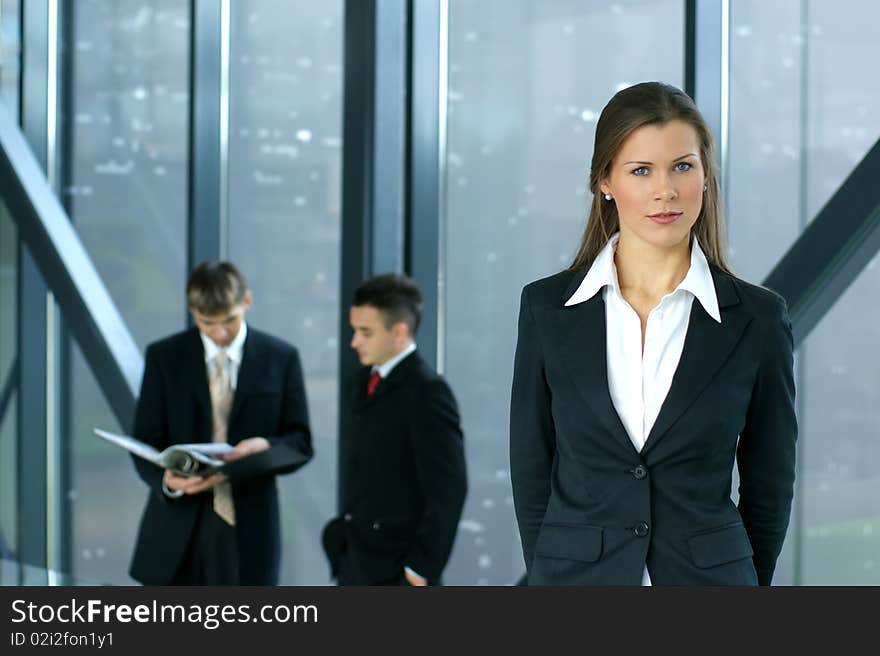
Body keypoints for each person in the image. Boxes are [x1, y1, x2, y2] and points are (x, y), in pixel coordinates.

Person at [510, 82, 797, 586]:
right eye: (641, 170)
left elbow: (769, 481)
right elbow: (532, 464)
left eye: (682, 166)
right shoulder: (547, 309)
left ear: (705, 176)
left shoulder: (758, 319)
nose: (665, 191)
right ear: (604, 181)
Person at [129, 261, 313, 585]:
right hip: (177, 527)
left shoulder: (281, 357)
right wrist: (170, 481)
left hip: (251, 525)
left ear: (247, 301)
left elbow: (300, 442)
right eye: (207, 323)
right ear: (192, 312)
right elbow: (144, 439)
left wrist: (266, 447)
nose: (220, 333)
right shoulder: (164, 357)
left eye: (229, 320)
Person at [322, 274, 467, 585]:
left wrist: (420, 568)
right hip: (357, 563)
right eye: (354, 330)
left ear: (399, 331)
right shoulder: (362, 382)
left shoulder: (428, 392)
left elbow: (449, 489)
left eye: (365, 332)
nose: (354, 342)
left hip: (398, 572)